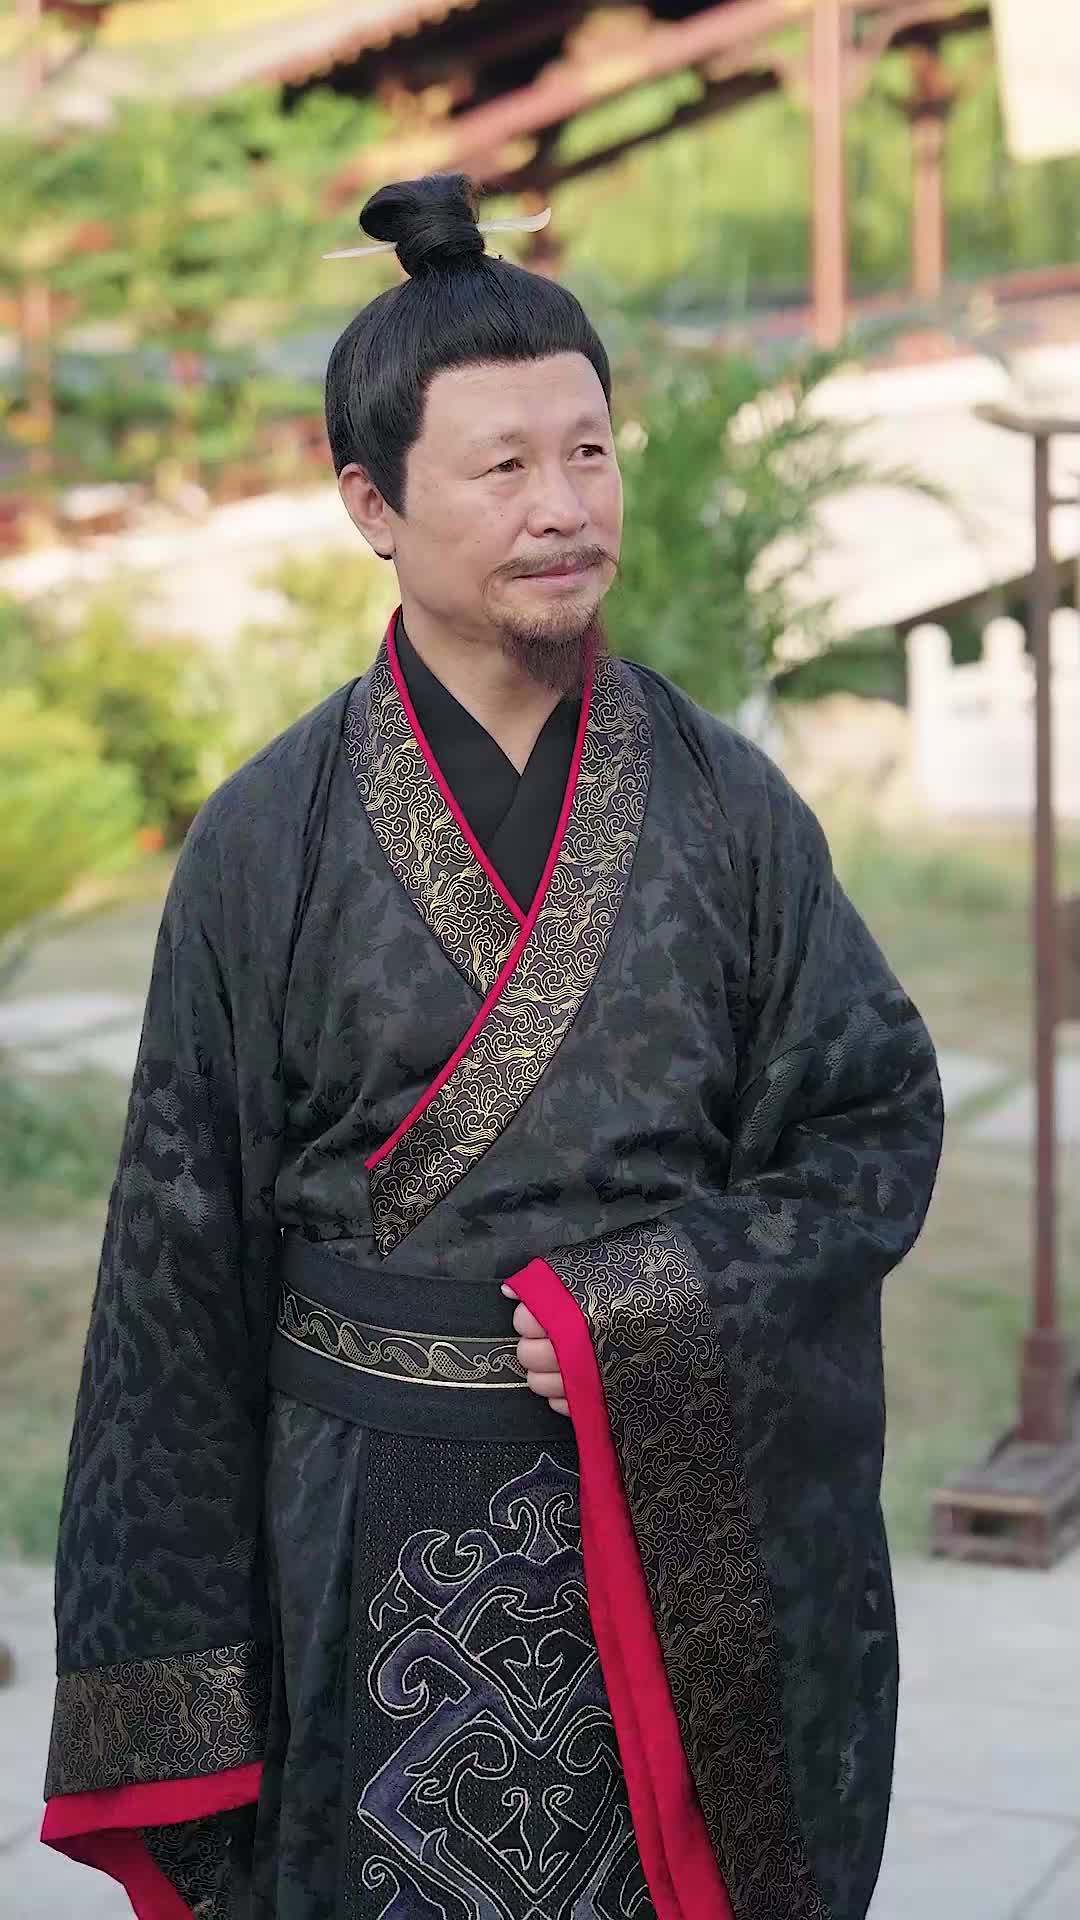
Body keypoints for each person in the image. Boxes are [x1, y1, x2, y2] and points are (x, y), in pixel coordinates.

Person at [42, 173, 943, 1920]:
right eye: (504, 465)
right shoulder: (268, 837)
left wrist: (655, 1299)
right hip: (357, 1525)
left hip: (663, 1539)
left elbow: (874, 1123)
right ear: (371, 504)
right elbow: (175, 1258)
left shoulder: (731, 809)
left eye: (589, 453)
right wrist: (171, 1669)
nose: (563, 507)